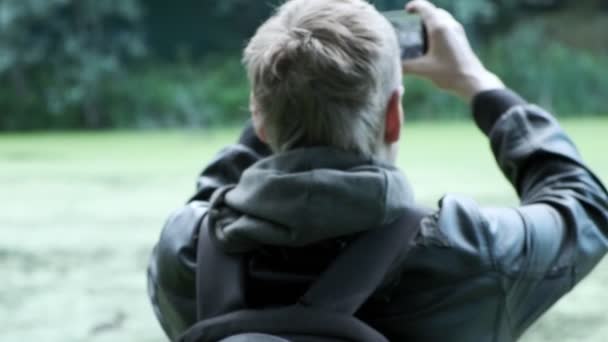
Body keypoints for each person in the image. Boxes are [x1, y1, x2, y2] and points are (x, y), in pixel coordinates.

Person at [147, 0, 608, 340]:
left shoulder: (186, 254)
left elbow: (211, 198)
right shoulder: (470, 253)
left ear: (259, 118)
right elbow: (585, 208)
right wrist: (477, 82)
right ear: (394, 115)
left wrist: (286, 94)